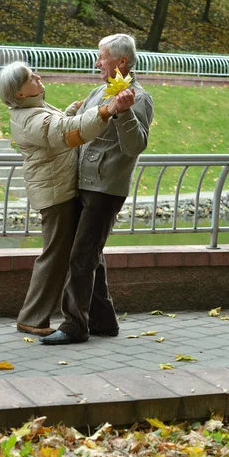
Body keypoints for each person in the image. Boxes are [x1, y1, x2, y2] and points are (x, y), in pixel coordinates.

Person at [0, 61, 136, 336]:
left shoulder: (31, 109)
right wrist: (106, 110)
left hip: (59, 191)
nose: (37, 76)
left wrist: (74, 110)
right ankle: (32, 319)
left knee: (86, 255)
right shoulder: (29, 117)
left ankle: (102, 318)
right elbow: (63, 133)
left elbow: (58, 124)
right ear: (20, 93)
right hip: (55, 196)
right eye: (29, 77)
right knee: (57, 257)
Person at [40, 34, 154, 345]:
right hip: (82, 181)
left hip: (106, 188)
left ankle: (75, 325)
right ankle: (104, 321)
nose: (96, 62)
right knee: (91, 255)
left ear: (121, 61)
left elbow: (135, 146)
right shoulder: (99, 91)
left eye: (101, 56)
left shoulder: (139, 98)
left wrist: (124, 112)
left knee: (81, 256)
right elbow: (79, 125)